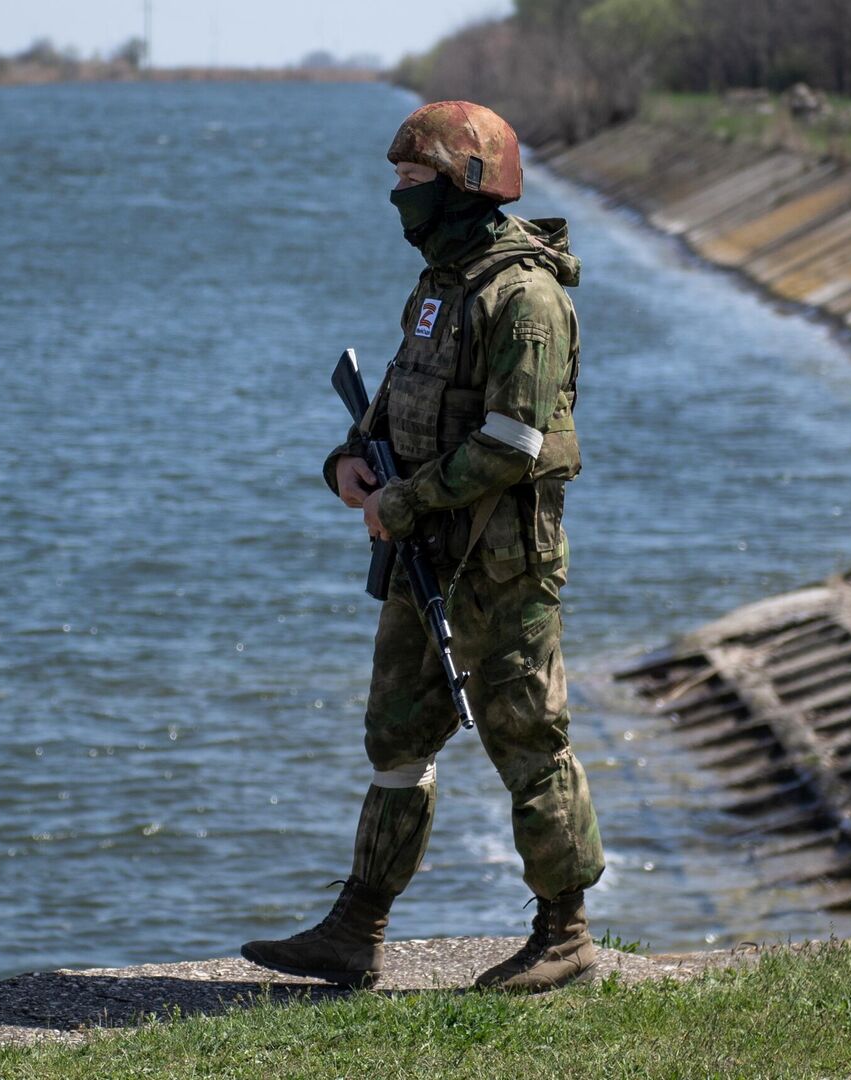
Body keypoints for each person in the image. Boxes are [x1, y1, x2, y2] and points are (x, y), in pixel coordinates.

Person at [241, 101, 604, 994]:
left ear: (465, 187)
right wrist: (348, 464)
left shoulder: (525, 298)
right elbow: (404, 392)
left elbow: (514, 443)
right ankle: (355, 929)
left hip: (502, 561)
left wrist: (404, 500)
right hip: (426, 551)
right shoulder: (442, 283)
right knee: (397, 735)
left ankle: (566, 936)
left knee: (528, 739)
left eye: (412, 182)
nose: (397, 197)